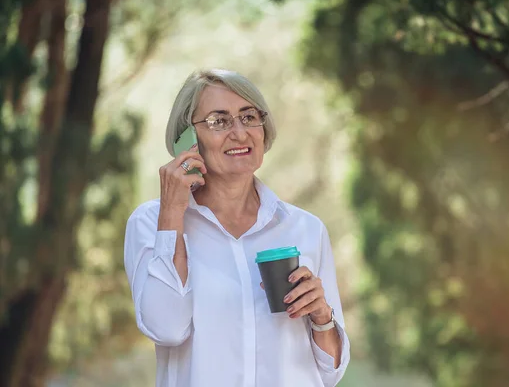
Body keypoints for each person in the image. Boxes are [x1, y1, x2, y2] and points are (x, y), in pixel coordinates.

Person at [124, 69, 350, 387]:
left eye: (248, 117)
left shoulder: (305, 229)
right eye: (219, 121)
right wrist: (172, 212)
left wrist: (322, 319)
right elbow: (167, 329)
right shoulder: (150, 223)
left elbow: (331, 372)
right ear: (187, 138)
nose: (240, 134)